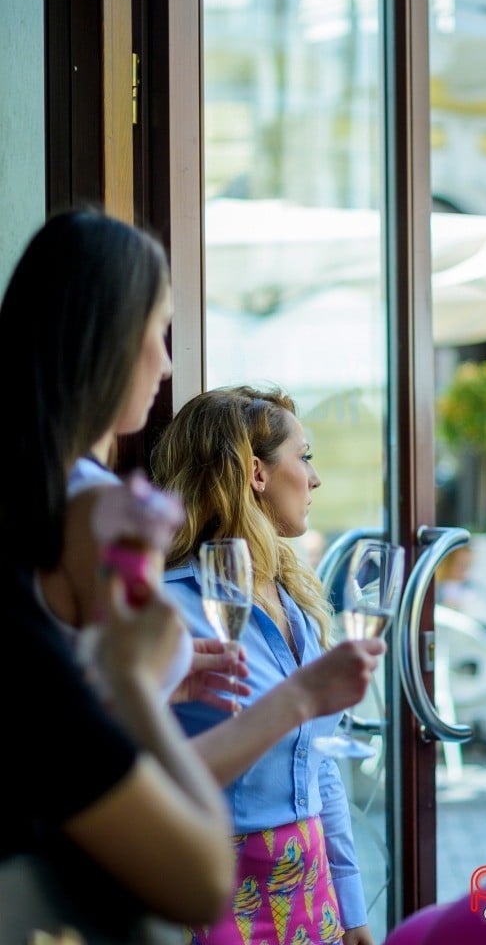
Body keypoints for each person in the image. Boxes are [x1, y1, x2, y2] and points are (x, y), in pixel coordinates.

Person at [0, 209, 383, 942]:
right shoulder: (102, 517)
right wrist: (296, 695)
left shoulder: (54, 500)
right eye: (159, 329)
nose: (166, 362)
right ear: (107, 341)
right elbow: (182, 843)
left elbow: (90, 728)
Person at [150, 385, 375, 945]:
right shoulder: (162, 609)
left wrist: (351, 908)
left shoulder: (296, 600)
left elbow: (319, 766)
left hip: (309, 885)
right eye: (305, 457)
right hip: (209, 887)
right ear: (256, 473)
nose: (315, 478)